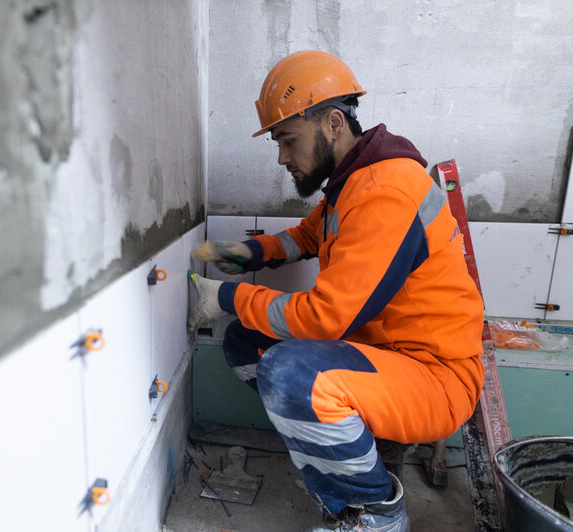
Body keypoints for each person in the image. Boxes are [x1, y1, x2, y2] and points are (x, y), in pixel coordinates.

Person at [188, 50, 484, 531]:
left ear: (331, 123)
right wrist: (250, 254)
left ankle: (376, 516)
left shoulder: (384, 190)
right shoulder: (349, 185)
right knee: (247, 341)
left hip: (435, 378)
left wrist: (223, 298)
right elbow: (307, 237)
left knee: (290, 373)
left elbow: (326, 319)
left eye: (288, 139)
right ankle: (349, 454)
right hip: (387, 358)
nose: (282, 157)